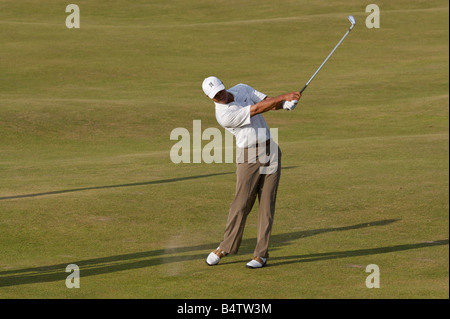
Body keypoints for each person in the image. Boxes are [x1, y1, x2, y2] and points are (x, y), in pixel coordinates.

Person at [201, 76, 301, 268]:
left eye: (220, 92)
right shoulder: (223, 115)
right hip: (248, 155)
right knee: (241, 203)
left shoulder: (242, 89)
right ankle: (225, 247)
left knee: (266, 203)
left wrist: (285, 104)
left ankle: (260, 255)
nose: (220, 97)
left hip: (270, 149)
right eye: (215, 96)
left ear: (223, 86)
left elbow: (267, 104)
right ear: (209, 97)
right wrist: (284, 96)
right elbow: (255, 110)